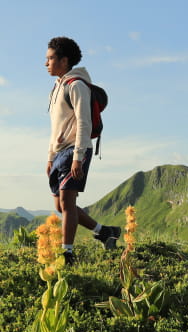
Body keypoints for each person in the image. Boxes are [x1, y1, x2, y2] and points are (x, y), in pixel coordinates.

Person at [45, 36, 120, 265]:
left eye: (50, 58)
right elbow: (55, 126)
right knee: (60, 205)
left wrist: (78, 157)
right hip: (59, 152)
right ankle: (105, 232)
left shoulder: (76, 85)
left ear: (64, 60)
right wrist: (50, 156)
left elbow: (84, 123)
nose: (46, 63)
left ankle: (67, 254)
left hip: (75, 150)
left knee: (67, 202)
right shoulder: (57, 88)